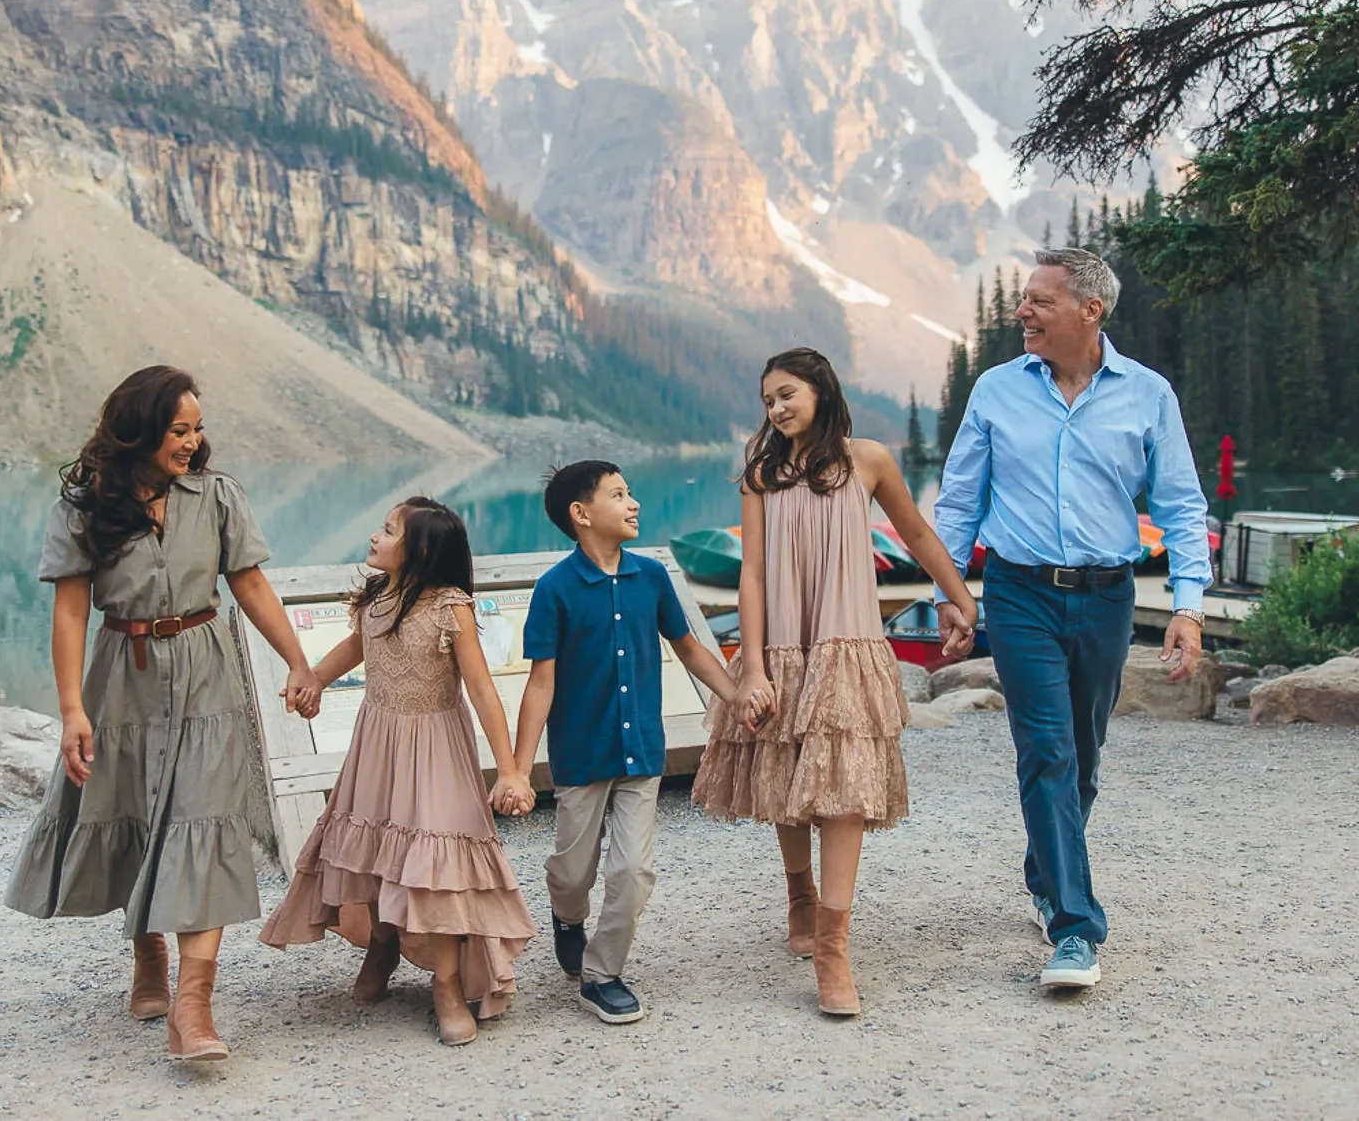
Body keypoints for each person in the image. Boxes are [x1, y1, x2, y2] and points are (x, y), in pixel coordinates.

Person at [6, 365, 324, 1063]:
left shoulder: (216, 496)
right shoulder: (86, 504)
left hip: (209, 672)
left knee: (203, 821)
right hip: (122, 674)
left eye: (197, 428)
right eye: (178, 429)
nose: (192, 440)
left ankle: (194, 1005)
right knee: (134, 814)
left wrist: (298, 661)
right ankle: (147, 951)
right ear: (141, 429)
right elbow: (69, 610)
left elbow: (250, 583)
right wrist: (70, 710)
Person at [932, 247, 1211, 991]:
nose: (1021, 311)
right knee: (1047, 748)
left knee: (1083, 752)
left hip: (1107, 596)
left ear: (1090, 311)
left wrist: (1187, 606)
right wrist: (952, 592)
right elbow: (958, 501)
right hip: (1020, 594)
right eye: (1021, 298)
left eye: (1038, 301)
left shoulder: (1147, 394)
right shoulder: (995, 391)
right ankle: (1076, 927)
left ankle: (1044, 871)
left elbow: (1181, 505)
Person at [692, 347, 979, 1017]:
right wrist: (754, 664)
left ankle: (832, 947)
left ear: (820, 389)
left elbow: (914, 531)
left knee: (844, 792)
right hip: (783, 645)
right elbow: (754, 574)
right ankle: (799, 895)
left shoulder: (868, 459)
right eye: (768, 400)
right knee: (786, 774)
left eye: (786, 392)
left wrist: (960, 596)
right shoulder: (762, 473)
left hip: (847, 644)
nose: (777, 407)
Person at [258, 498, 536, 1047]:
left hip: (435, 748)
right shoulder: (375, 599)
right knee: (382, 851)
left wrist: (509, 771)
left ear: (422, 551)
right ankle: (383, 948)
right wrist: (311, 679)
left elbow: (481, 689)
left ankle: (448, 984)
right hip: (378, 744)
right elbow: (356, 647)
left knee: (440, 865)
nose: (374, 537)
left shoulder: (449, 607)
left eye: (388, 531)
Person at [510, 461, 740, 1025]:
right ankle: (568, 917)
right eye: (619, 495)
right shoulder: (555, 589)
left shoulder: (652, 577)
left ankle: (602, 973)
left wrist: (736, 695)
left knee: (633, 870)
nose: (634, 503)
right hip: (581, 758)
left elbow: (688, 647)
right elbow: (541, 683)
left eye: (632, 492)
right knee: (571, 871)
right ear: (582, 515)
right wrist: (517, 770)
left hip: (642, 754)